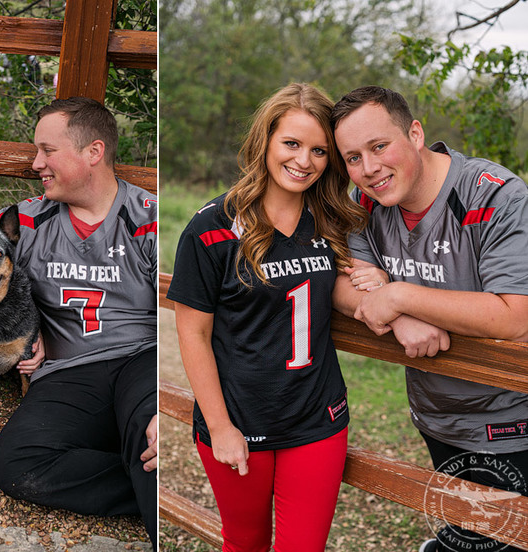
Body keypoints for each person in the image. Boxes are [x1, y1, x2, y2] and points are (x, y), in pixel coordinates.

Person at [0, 97, 158, 547]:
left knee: (153, 440)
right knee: (15, 464)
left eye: (47, 151)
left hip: (143, 362)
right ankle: (146, 484)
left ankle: (151, 483)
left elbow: (186, 314)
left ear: (93, 152)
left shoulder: (149, 218)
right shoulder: (27, 219)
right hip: (68, 371)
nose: (35, 163)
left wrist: (169, 404)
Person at [167, 83, 368, 552]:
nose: (305, 160)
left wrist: (388, 291)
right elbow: (192, 332)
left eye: (319, 150)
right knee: (246, 543)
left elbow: (361, 277)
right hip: (238, 420)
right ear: (265, 141)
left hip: (317, 418)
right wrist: (219, 427)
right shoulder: (211, 227)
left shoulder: (331, 220)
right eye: (292, 144)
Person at [331, 85, 528, 552]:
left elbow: (514, 316)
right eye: (353, 158)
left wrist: (400, 295)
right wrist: (395, 315)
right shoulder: (365, 206)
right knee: (470, 532)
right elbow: (342, 282)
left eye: (379, 146)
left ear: (415, 133)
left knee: (499, 541)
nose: (369, 169)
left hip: (508, 419)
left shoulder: (495, 195)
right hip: (435, 412)